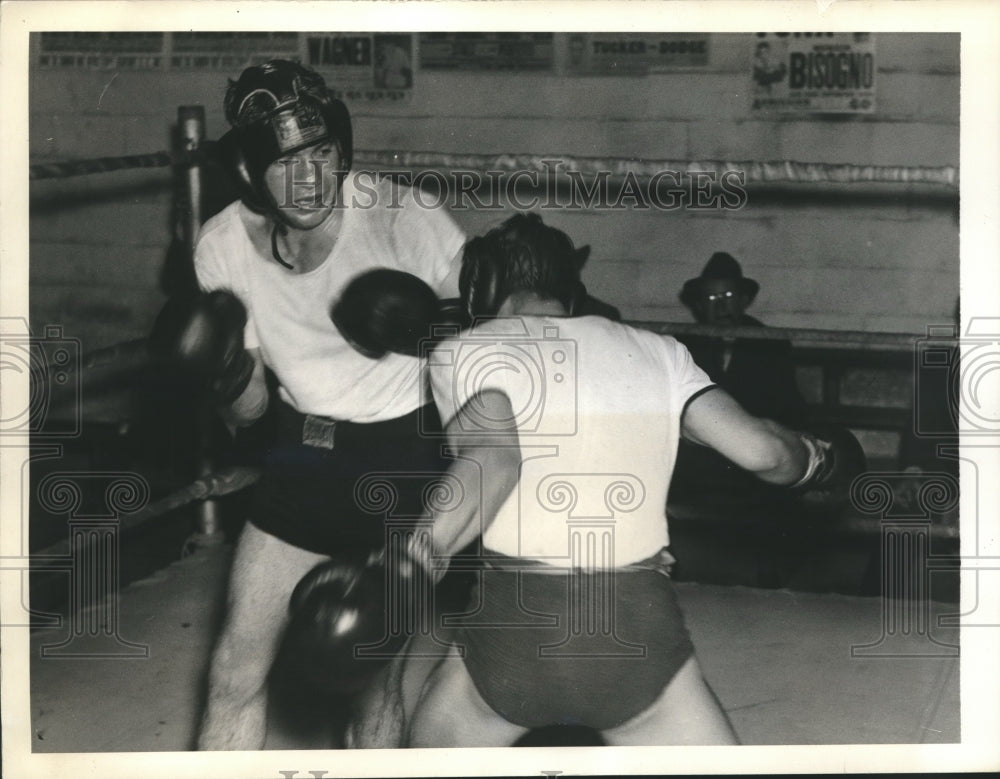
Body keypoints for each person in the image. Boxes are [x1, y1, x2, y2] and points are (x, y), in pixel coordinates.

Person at [341, 214, 862, 747]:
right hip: (636, 628)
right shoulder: (660, 351)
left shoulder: (466, 351)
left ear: (481, 286)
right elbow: (764, 453)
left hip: (514, 629)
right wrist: (825, 457)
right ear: (571, 287)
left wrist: (409, 564)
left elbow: (493, 458)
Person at [153, 59, 466, 750]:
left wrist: (431, 330)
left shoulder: (405, 218)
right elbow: (251, 414)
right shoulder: (224, 245)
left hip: (400, 462)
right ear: (247, 173)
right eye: (286, 160)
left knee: (369, 677)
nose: (310, 178)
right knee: (234, 669)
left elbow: (494, 348)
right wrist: (225, 367)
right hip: (300, 458)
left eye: (323, 154)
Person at [669, 252, 809, 587]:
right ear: (700, 306)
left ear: (745, 301)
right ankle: (669, 573)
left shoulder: (769, 342)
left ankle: (770, 579)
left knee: (776, 469)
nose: (722, 307)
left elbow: (787, 405)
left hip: (749, 456)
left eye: (730, 297)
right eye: (713, 299)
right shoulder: (686, 344)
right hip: (700, 454)